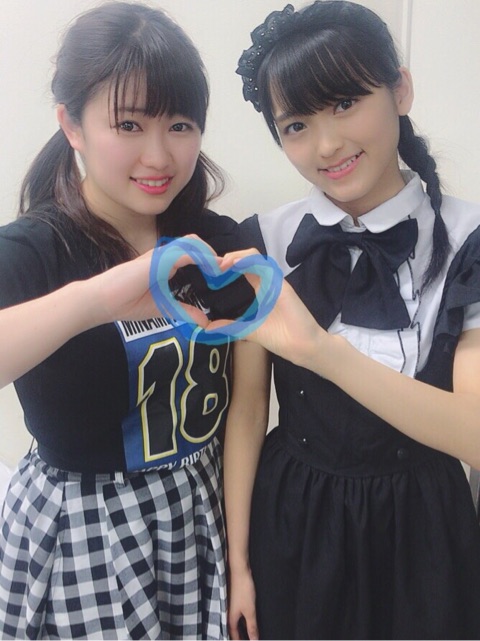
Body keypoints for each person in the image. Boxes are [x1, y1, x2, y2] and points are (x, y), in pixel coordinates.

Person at [222, 1, 480, 639]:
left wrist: (321, 351)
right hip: (293, 521)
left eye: (344, 103)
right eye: (296, 124)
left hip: (422, 532)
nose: (327, 144)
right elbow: (247, 413)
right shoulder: (267, 239)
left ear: (401, 90)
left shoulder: (467, 238)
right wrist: (239, 564)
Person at [0, 2, 246, 638]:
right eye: (129, 124)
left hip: (198, 514)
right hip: (80, 532)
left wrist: (242, 558)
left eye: (180, 125)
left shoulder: (215, 245)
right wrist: (96, 299)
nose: (159, 156)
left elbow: (247, 404)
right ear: (72, 125)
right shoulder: (34, 249)